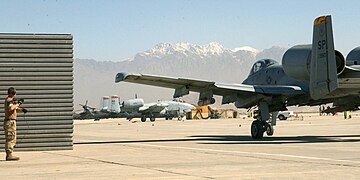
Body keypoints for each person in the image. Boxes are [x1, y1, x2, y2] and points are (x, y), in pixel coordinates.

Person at [3, 87, 27, 161]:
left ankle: (10, 153)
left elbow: (14, 109)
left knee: (12, 138)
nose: (14, 95)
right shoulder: (9, 100)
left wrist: (22, 109)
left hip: (11, 122)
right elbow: (11, 108)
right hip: (10, 122)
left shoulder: (11, 101)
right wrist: (18, 103)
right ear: (11, 93)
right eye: (14, 93)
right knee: (10, 138)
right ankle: (9, 155)